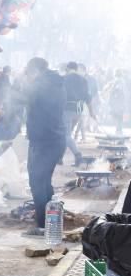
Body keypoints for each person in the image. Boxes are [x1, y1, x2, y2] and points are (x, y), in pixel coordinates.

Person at [19, 57, 67, 235]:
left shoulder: (41, 85)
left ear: (35, 71)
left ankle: (42, 226)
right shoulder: (57, 84)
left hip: (44, 140)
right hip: (53, 139)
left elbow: (22, 99)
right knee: (44, 182)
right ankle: (50, 223)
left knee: (37, 182)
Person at [62, 61, 91, 166]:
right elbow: (87, 97)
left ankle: (78, 156)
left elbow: (61, 94)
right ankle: (59, 157)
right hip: (79, 109)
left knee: (66, 135)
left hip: (67, 108)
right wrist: (92, 112)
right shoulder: (83, 79)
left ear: (68, 68)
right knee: (67, 134)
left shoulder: (65, 78)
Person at [108, 70, 126, 135]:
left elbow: (118, 89)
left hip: (118, 102)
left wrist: (113, 98)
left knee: (118, 116)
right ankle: (119, 130)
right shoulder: (121, 80)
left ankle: (119, 130)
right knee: (119, 116)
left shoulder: (119, 80)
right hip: (120, 102)